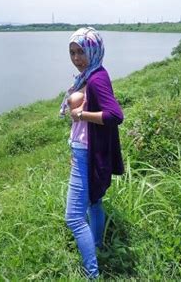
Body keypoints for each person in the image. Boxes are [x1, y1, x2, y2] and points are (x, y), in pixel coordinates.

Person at [59, 27, 124, 278]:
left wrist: (81, 115)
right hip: (85, 148)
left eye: (81, 52)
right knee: (94, 202)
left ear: (93, 50)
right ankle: (97, 247)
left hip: (85, 151)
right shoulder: (94, 72)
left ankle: (92, 274)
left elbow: (115, 115)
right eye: (73, 52)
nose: (77, 58)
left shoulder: (95, 79)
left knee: (74, 218)